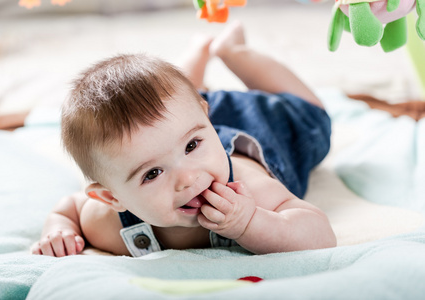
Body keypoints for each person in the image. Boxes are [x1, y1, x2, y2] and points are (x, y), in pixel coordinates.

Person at [30, 21, 336, 257]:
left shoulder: (251, 190)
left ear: (207, 119)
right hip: (182, 124)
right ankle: (198, 56)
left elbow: (321, 236)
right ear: (112, 198)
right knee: (175, 110)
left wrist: (251, 223)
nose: (189, 179)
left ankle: (234, 52)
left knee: (313, 119)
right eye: (152, 174)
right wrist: (59, 229)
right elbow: (69, 206)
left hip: (264, 125)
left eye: (192, 148)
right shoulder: (104, 222)